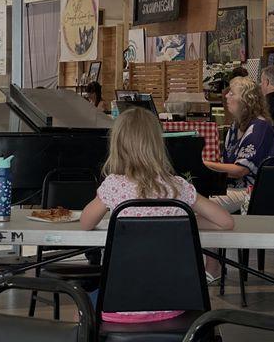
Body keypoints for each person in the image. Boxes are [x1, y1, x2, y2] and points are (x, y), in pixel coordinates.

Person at [80, 107, 234, 323]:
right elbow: (226, 222)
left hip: (117, 304)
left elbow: (86, 223)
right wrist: (182, 220)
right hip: (173, 304)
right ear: (157, 145)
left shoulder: (113, 186)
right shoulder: (177, 187)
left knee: (84, 304)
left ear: (117, 145)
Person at [204, 76, 274, 214]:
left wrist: (204, 165)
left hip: (251, 190)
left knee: (201, 205)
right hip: (234, 188)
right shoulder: (236, 126)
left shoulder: (259, 128)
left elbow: (240, 170)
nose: (226, 95)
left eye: (232, 93)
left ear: (245, 101)